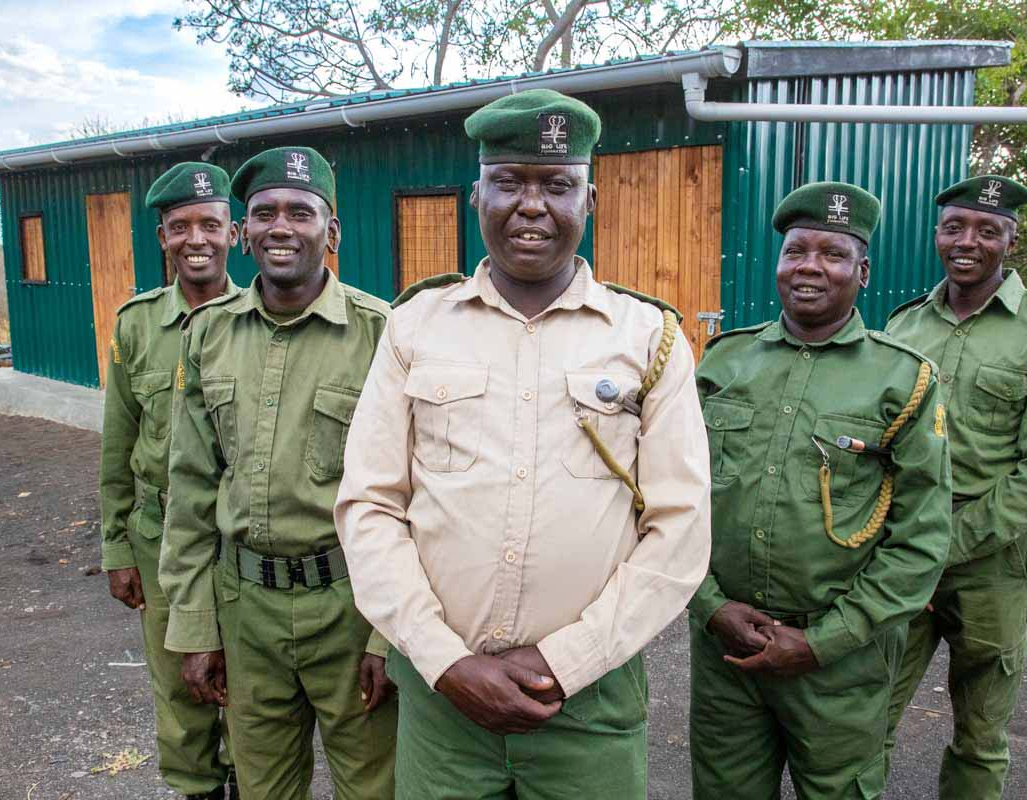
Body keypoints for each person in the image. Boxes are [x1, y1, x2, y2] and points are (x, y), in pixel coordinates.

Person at [334, 89, 711, 800]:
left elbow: (680, 528)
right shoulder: (415, 327)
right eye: (509, 181)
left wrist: (567, 661)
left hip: (590, 702)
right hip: (443, 702)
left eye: (557, 185)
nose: (531, 205)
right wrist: (444, 661)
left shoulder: (649, 338)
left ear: (589, 200)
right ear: (476, 196)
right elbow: (371, 506)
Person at [687, 181, 952, 799]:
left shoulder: (904, 379)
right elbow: (673, 501)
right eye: (795, 251)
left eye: (833, 254)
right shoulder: (722, 363)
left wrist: (822, 642)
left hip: (841, 665)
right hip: (726, 652)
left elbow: (921, 538)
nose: (809, 266)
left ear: (863, 272)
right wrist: (710, 606)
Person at [159, 146, 397, 800]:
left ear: (332, 231)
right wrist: (195, 626)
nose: (281, 227)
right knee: (263, 789)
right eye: (264, 214)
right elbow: (190, 492)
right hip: (246, 610)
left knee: (374, 787)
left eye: (301, 212)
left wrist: (389, 638)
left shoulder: (382, 335)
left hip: (351, 606)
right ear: (244, 233)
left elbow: (414, 496)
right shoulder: (208, 334)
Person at [884, 175, 1027, 799]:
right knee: (867, 716)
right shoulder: (903, 325)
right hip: (904, 549)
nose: (967, 242)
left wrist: (938, 548)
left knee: (980, 734)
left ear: (1011, 242)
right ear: (937, 235)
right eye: (955, 227)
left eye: (987, 231)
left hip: (993, 559)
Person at [99, 161, 240, 800]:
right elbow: (118, 445)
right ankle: (196, 788)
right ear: (162, 238)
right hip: (157, 538)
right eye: (180, 226)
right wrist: (115, 547)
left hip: (237, 539)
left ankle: (246, 781)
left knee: (247, 688)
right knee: (178, 687)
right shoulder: (136, 324)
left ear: (233, 233)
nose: (195, 239)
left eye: (210, 224)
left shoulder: (259, 317)